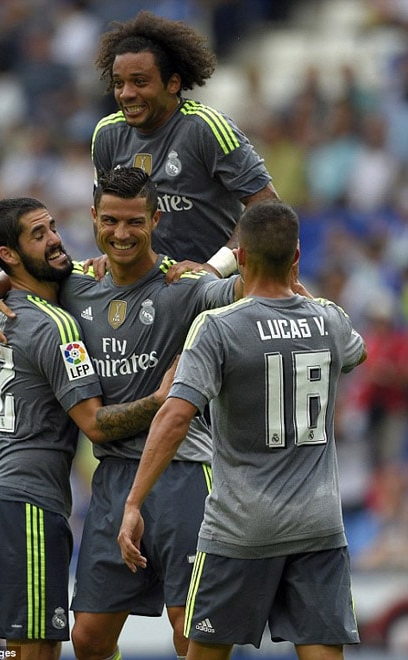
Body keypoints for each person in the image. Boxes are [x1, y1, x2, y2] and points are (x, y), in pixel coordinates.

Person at [0, 167, 245, 660]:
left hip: (181, 469)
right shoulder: (73, 283)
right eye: (111, 221)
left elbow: (252, 289)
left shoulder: (185, 287)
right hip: (114, 476)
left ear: (155, 220)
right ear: (94, 218)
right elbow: (19, 273)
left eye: (135, 222)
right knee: (88, 638)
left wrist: (219, 267)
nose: (121, 234)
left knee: (191, 631)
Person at [118, 200, 368, 660]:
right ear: (296, 257)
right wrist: (296, 287)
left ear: (244, 258)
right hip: (319, 524)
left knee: (207, 653)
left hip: (241, 527)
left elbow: (174, 417)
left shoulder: (217, 327)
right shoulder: (330, 320)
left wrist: (134, 502)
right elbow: (356, 353)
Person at [0, 195, 177, 660]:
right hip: (27, 504)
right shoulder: (56, 327)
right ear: (9, 255)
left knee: (24, 650)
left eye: (53, 228)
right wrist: (162, 400)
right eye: (38, 235)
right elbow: (98, 425)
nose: (56, 240)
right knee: (37, 653)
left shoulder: (6, 310)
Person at [90, 10, 279, 280]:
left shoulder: (206, 128)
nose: (126, 93)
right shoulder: (106, 133)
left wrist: (215, 268)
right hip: (142, 288)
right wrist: (112, 253)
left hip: (212, 291)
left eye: (140, 82)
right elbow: (103, 211)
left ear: (173, 83)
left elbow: (266, 203)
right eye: (119, 83)